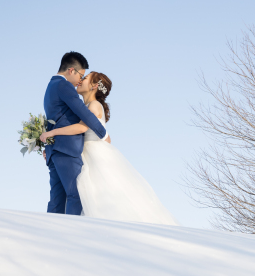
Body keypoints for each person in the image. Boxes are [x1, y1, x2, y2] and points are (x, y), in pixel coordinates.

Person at [40, 71, 178, 225]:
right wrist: (52, 145)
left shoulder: (93, 105)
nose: (80, 80)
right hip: (81, 152)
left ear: (94, 86)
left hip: (92, 155)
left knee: (94, 197)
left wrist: (51, 133)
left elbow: (80, 128)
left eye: (85, 78)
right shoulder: (83, 106)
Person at [43, 52, 108, 215]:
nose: (80, 80)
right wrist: (104, 134)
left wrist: (48, 141)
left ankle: (49, 234)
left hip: (56, 151)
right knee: (76, 195)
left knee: (57, 200)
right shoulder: (63, 85)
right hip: (67, 149)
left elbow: (54, 119)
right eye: (81, 75)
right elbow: (83, 114)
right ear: (71, 70)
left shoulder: (50, 87)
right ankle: (70, 234)